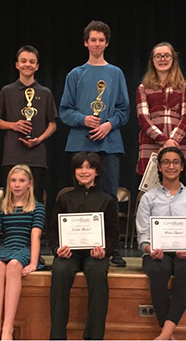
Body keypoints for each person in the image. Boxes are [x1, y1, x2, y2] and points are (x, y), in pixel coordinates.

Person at [59, 20, 129, 267]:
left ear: (106, 43)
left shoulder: (116, 73)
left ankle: (112, 249)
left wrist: (108, 124)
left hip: (109, 143)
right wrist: (83, 119)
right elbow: (65, 111)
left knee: (108, 196)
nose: (97, 44)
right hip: (81, 142)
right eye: (93, 40)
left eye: (101, 40)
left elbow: (123, 109)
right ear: (85, 42)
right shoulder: (75, 75)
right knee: (80, 197)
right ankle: (79, 245)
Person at [136, 147, 186, 340]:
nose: (171, 166)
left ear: (182, 166)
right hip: (157, 253)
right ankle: (167, 334)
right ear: (159, 167)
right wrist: (149, 249)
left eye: (176, 162)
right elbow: (142, 235)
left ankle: (164, 334)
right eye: (166, 162)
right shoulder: (148, 198)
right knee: (158, 270)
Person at [48, 152, 120, 340]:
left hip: (95, 255)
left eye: (89, 167)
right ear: (74, 171)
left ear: (97, 172)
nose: (84, 171)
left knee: (97, 273)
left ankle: (94, 336)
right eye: (80, 167)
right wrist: (57, 249)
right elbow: (54, 231)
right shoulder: (64, 198)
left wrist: (105, 251)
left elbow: (113, 234)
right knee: (60, 271)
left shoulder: (107, 200)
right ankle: (57, 336)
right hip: (68, 254)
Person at [0, 165, 45, 340]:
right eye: (13, 181)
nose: (17, 185)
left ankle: (7, 329)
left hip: (25, 248)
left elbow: (35, 236)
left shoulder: (37, 208)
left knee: (14, 264)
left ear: (29, 184)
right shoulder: (2, 208)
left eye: (21, 181)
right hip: (6, 247)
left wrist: (32, 262)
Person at [0, 45, 58, 202]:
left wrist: (40, 139)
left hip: (36, 157)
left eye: (31, 62)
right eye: (23, 61)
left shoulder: (45, 92)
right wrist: (13, 125)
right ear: (17, 65)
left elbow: (53, 124)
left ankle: (34, 228)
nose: (27, 64)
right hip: (12, 155)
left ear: (37, 66)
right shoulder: (6, 91)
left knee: (34, 200)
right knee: (10, 200)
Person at [136, 42, 186, 179]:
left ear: (173, 59)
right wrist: (164, 140)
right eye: (158, 56)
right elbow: (143, 118)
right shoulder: (143, 87)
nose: (162, 59)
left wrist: (172, 141)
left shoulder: (184, 86)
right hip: (151, 143)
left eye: (167, 56)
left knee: (176, 188)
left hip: (177, 143)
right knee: (150, 190)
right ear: (152, 60)